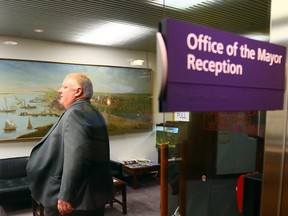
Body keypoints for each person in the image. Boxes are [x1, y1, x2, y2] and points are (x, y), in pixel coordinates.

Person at [26, 72, 114, 216]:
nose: (59, 90)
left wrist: (66, 195)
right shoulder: (92, 111)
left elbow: (77, 156)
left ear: (78, 91)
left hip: (75, 200)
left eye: (65, 87)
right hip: (91, 194)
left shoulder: (76, 113)